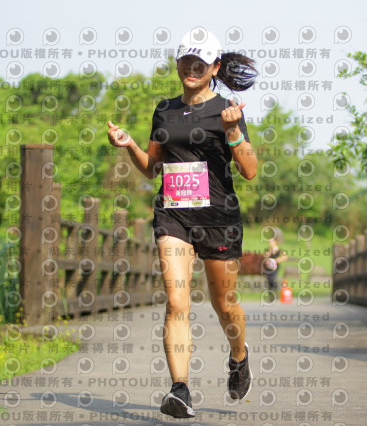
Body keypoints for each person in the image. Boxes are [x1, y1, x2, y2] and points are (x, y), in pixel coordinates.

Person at [107, 29, 258, 419]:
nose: (192, 68)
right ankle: (180, 389)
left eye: (200, 62)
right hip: (173, 215)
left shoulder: (228, 109)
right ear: (177, 64)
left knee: (224, 304)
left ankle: (239, 357)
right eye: (185, 61)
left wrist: (233, 130)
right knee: (176, 302)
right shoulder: (164, 111)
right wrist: (129, 145)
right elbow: (151, 168)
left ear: (215, 67)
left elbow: (250, 170)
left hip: (218, 218)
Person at [263, 236, 288, 301]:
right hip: (268, 268)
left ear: (275, 242)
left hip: (275, 268)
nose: (270, 243)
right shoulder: (268, 250)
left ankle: (276, 292)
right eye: (269, 242)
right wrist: (267, 255)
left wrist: (279, 259)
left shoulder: (279, 250)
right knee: (269, 281)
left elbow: (285, 257)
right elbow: (264, 256)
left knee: (273, 280)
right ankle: (271, 295)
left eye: (271, 241)